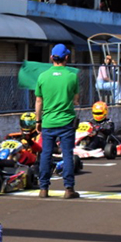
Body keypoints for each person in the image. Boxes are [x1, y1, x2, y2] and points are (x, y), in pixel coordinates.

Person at [35, 43, 80, 199]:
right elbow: (76, 99)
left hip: (48, 121)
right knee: (67, 154)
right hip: (66, 121)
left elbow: (39, 101)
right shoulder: (72, 76)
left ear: (51, 58)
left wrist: (37, 121)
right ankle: (68, 188)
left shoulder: (42, 76)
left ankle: (43, 188)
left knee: (46, 154)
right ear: (66, 57)